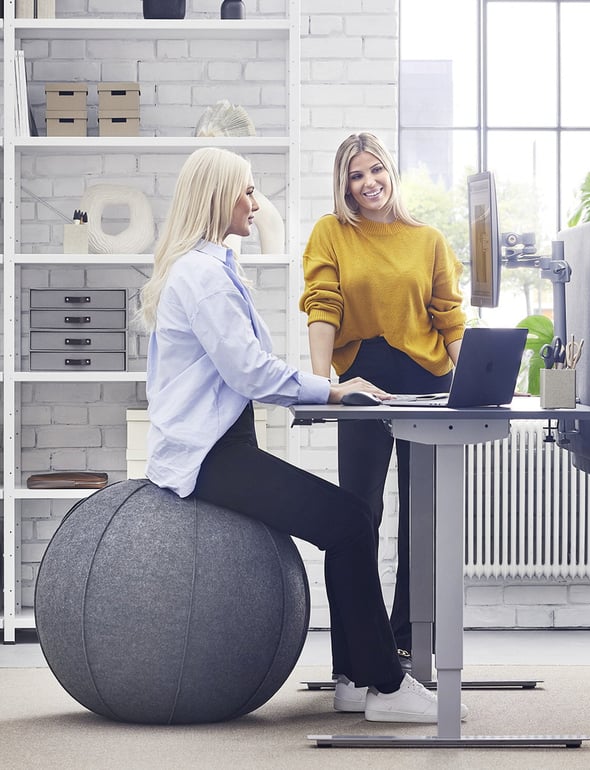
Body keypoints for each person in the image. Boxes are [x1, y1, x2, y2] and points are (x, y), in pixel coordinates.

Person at [139, 147, 467, 723]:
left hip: (221, 445)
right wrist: (333, 389)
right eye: (246, 191)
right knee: (347, 521)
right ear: (219, 199)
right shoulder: (204, 276)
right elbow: (249, 372)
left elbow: (246, 366)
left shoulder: (210, 267)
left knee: (349, 518)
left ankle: (357, 682)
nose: (254, 201)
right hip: (209, 454)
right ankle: (386, 689)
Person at [299, 133, 467, 667]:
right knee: (359, 514)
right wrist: (321, 385)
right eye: (355, 175)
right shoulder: (331, 233)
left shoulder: (428, 239)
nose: (368, 182)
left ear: (391, 172)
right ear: (343, 184)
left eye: (376, 170)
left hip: (426, 378)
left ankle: (410, 643)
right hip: (364, 382)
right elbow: (322, 306)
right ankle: (356, 652)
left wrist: (478, 382)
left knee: (424, 518)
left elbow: (448, 317)